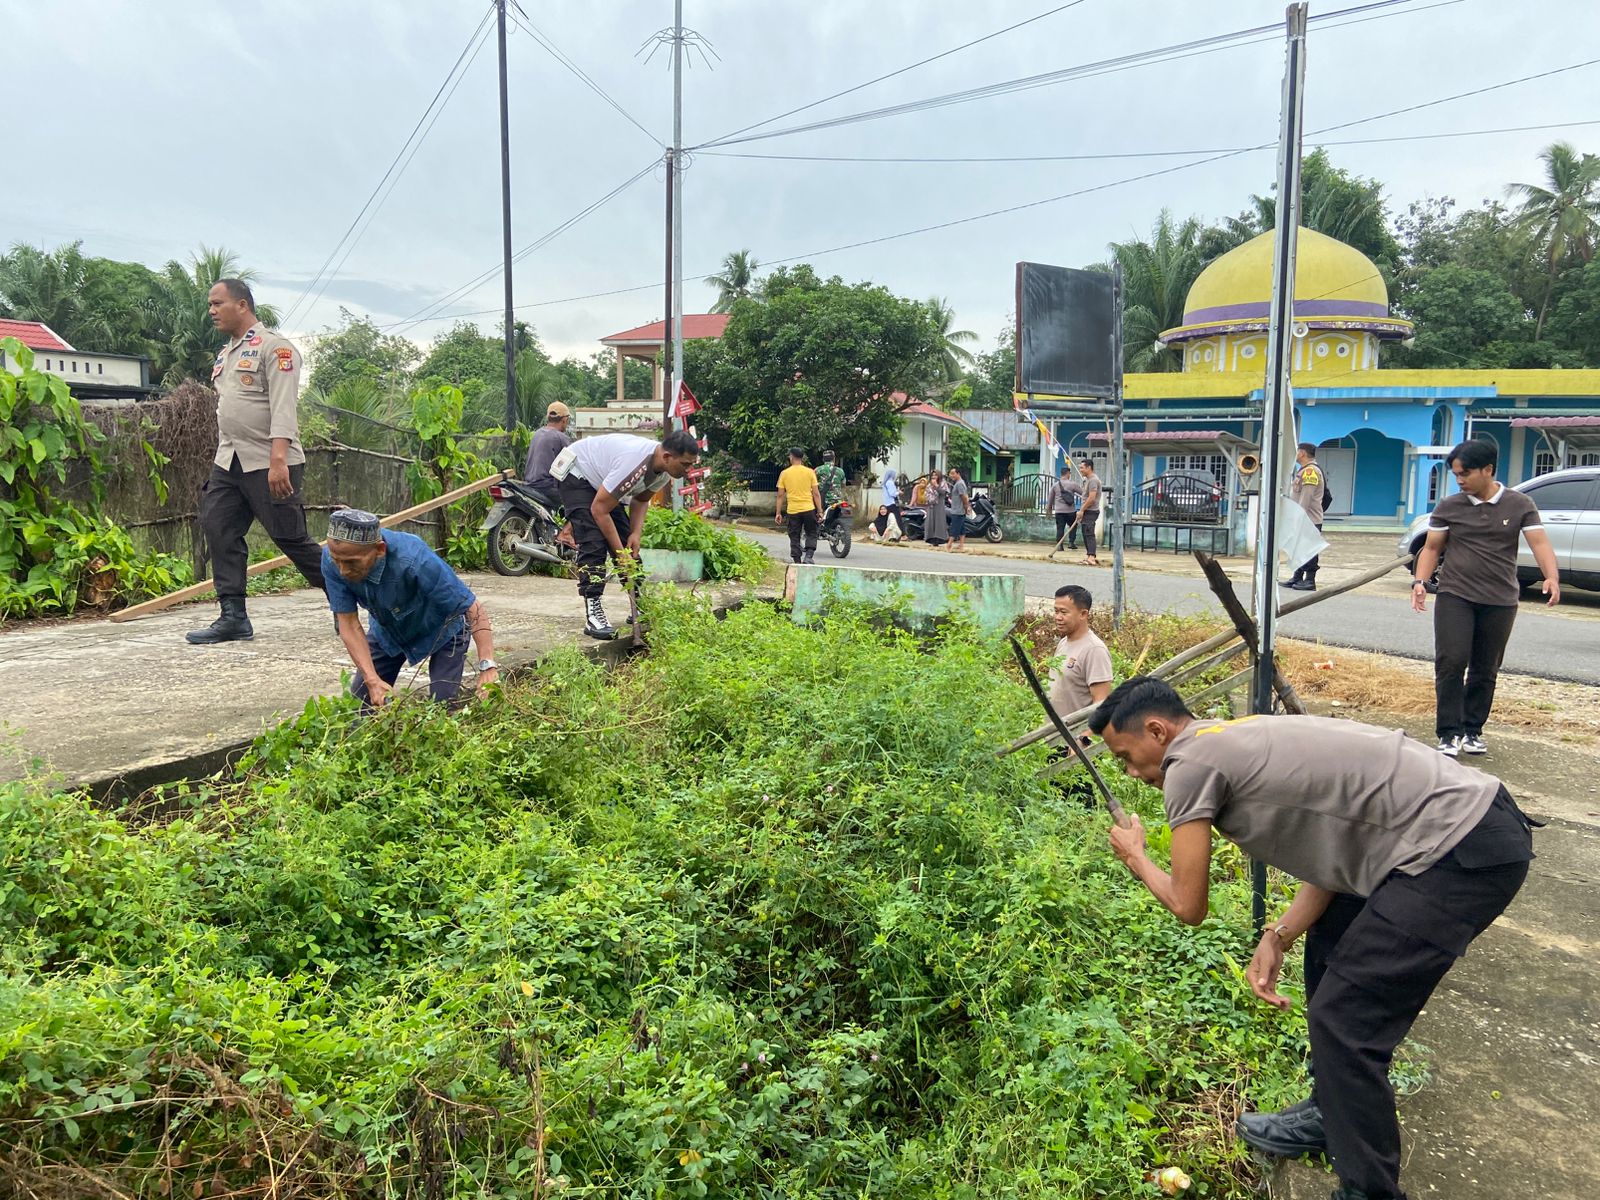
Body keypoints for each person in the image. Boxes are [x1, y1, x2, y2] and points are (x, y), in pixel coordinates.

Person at [1091, 677, 1535, 1200]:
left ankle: (1367, 1191)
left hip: (1456, 851)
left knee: (1345, 1020)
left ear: (1157, 731)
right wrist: (1279, 934)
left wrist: (1137, 857)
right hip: (1457, 827)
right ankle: (1332, 1112)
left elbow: (1189, 906)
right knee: (1329, 950)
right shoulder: (1226, 737)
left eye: (1126, 756)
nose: (1130, 772)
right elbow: (1338, 843)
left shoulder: (1189, 765)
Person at [186, 279, 325, 645]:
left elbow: (283, 408)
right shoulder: (227, 353)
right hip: (229, 460)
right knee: (218, 525)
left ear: (242, 305)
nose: (211, 311)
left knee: (291, 539)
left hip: (270, 461)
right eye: (210, 305)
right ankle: (233, 617)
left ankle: (352, 601)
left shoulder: (276, 349)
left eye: (218, 304)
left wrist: (279, 459)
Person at [1412, 439, 1559, 757]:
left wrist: (1551, 576)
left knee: (1486, 666)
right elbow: (1433, 547)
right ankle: (1448, 733)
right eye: (1455, 474)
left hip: (1500, 598)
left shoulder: (1520, 504)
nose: (1459, 480)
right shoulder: (1450, 506)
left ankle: (1472, 730)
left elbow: (1540, 543)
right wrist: (1420, 581)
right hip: (1456, 594)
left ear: (1488, 470)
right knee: (1451, 661)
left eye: (1464, 473)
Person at [321, 509, 499, 708]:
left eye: (352, 563)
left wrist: (487, 665)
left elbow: (472, 607)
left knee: (443, 706)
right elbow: (348, 624)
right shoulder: (332, 559)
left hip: (443, 629)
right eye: (337, 561)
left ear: (380, 550)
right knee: (359, 707)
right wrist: (371, 680)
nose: (343, 571)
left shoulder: (414, 558)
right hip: (388, 632)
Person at [554, 429, 701, 640]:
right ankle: (593, 613)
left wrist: (635, 534)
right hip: (577, 473)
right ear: (667, 457)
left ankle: (639, 605)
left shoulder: (664, 471)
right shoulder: (635, 464)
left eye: (692, 464)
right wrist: (619, 552)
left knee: (628, 546)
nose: (689, 470)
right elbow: (599, 510)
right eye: (686, 464)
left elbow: (640, 500)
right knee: (593, 542)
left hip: (601, 483)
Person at [1048, 585, 1114, 717]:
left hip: (1073, 735)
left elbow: (1101, 704)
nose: (1058, 617)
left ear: (1083, 614)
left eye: (1064, 612)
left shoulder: (1094, 650)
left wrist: (1085, 737)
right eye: (1056, 611)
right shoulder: (1063, 643)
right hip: (1050, 734)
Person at [1286, 442, 1326, 591]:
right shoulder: (1303, 470)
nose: (1296, 455)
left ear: (1302, 453)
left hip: (1308, 519)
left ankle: (1309, 580)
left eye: (1297, 452)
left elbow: (1306, 497)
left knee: (1309, 548)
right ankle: (1297, 577)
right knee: (1298, 548)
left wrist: (1299, 516)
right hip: (1302, 518)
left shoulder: (1310, 472)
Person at [775, 447, 824, 565]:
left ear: (791, 457)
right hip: (808, 508)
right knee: (811, 532)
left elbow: (780, 495)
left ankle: (797, 561)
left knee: (794, 535)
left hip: (793, 510)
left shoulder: (784, 473)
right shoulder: (810, 472)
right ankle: (808, 556)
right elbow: (816, 494)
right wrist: (820, 510)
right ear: (802, 458)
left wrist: (778, 513)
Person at [1074, 459, 1103, 566]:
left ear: (1089, 467)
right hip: (1087, 511)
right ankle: (1089, 555)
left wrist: (1081, 510)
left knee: (1089, 533)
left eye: (1082, 467)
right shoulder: (1088, 480)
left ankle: (1092, 557)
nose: (1080, 470)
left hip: (1091, 511)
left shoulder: (1093, 480)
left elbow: (1091, 498)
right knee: (1085, 533)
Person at [1048, 467, 1084, 553]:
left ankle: (1060, 545)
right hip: (1070, 511)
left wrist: (1049, 509)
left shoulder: (1055, 485)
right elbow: (1083, 493)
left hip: (1059, 511)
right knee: (1073, 526)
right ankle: (1071, 543)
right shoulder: (1072, 484)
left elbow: (1050, 499)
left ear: (1061, 473)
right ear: (1068, 473)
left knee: (1060, 528)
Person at [946, 467, 973, 552]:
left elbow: (964, 497)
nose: (951, 476)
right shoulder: (958, 483)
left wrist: (966, 507)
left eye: (953, 473)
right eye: (950, 474)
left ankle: (949, 544)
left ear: (958, 474)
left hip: (958, 510)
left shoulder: (959, 484)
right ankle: (961, 545)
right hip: (957, 509)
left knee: (954, 527)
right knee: (961, 528)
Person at [922, 470, 949, 547]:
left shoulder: (943, 483)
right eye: (933, 475)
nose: (934, 476)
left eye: (936, 475)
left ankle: (939, 539)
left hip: (939, 505)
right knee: (930, 522)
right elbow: (926, 494)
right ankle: (931, 539)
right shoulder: (929, 485)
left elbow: (943, 493)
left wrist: (936, 486)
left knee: (939, 522)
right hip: (931, 506)